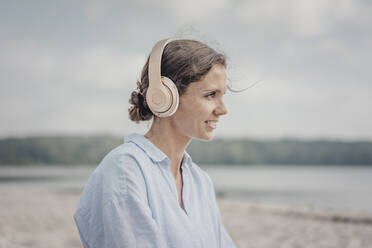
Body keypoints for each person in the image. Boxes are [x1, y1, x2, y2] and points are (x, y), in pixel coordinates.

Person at [74, 38, 236, 248]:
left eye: (223, 95)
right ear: (165, 96)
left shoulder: (200, 181)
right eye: (210, 95)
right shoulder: (126, 169)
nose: (223, 109)